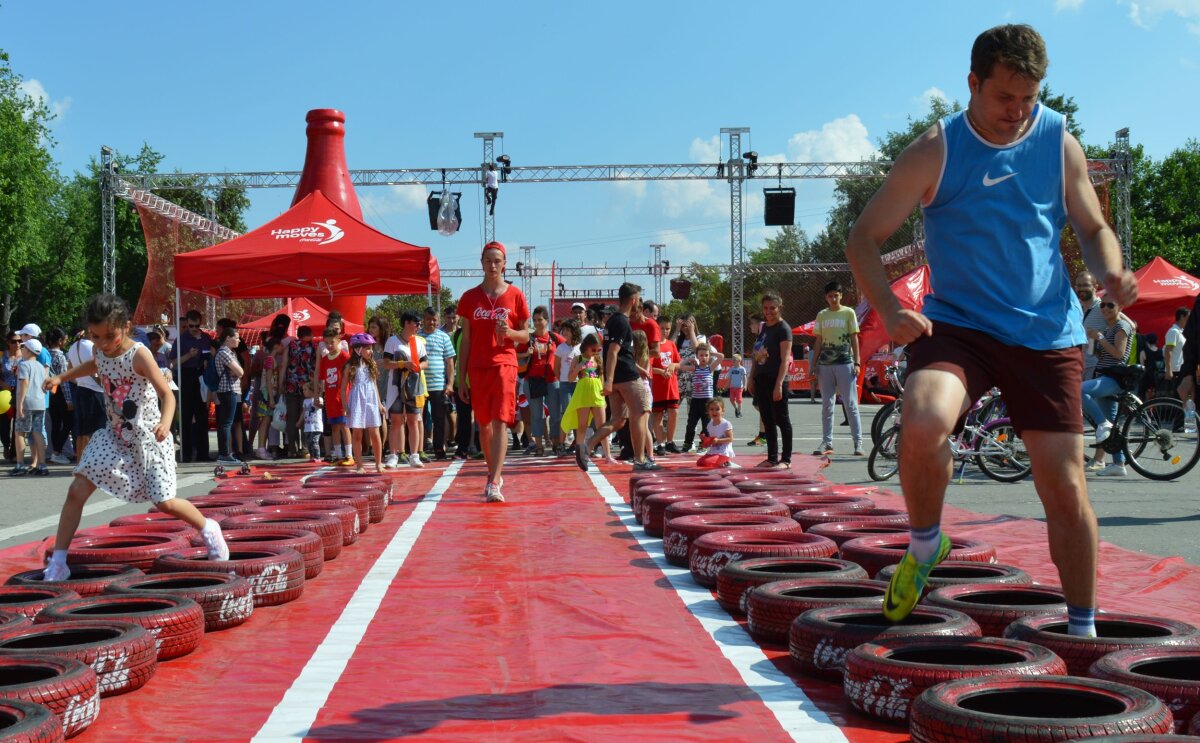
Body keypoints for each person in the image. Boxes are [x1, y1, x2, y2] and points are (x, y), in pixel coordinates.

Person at [845, 23, 1137, 636]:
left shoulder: (1058, 141)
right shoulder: (935, 149)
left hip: (1046, 331)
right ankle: (925, 544)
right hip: (961, 325)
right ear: (972, 83)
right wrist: (891, 311)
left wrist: (1111, 272)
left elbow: (1091, 227)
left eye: (1029, 97)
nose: (1018, 112)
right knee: (922, 420)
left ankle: (1082, 628)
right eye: (1005, 98)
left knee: (1064, 486)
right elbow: (864, 239)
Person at [41, 293, 229, 583]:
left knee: (164, 502)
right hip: (114, 437)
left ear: (126, 327)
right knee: (76, 489)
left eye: (109, 336)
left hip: (150, 438)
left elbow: (167, 394)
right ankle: (60, 561)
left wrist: (166, 424)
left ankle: (208, 528)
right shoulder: (100, 351)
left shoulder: (139, 354)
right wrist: (61, 378)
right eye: (95, 336)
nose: (102, 343)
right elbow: (95, 366)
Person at [456, 242, 531, 501]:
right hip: (477, 367)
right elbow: (465, 340)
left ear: (504, 264)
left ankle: (495, 480)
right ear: (481, 263)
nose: (492, 265)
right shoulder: (468, 298)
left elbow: (525, 336)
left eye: (497, 260)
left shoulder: (516, 295)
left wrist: (509, 333)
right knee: (484, 425)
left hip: (505, 364)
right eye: (488, 260)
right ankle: (492, 473)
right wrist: (459, 377)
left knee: (500, 420)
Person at [582, 283, 657, 472]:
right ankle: (640, 460)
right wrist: (608, 380)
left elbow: (611, 351)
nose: (639, 302)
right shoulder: (622, 322)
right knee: (639, 416)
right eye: (638, 299)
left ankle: (589, 444)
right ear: (633, 300)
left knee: (618, 420)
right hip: (627, 377)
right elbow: (613, 352)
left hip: (616, 378)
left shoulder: (613, 321)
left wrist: (609, 379)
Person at [1081, 299, 1134, 477]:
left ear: (1120, 307)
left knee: (1079, 390)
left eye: (1110, 305)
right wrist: (1094, 347)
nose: (1105, 308)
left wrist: (1100, 338)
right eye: (1103, 305)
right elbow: (1103, 354)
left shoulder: (1122, 326)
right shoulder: (1108, 328)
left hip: (1114, 378)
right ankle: (1119, 464)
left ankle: (1101, 424)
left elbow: (1119, 354)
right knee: (1112, 424)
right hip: (1105, 375)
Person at [810, 282, 863, 457]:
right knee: (827, 405)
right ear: (826, 297)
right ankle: (827, 442)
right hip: (825, 366)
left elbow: (854, 338)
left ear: (841, 295)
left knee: (850, 404)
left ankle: (858, 443)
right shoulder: (822, 315)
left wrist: (857, 362)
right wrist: (813, 363)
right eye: (830, 296)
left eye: (836, 295)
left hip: (845, 363)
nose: (833, 299)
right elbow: (818, 341)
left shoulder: (849, 313)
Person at [383, 311, 428, 469]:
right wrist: (403, 365)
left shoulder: (419, 342)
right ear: (407, 323)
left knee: (413, 420)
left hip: (414, 385)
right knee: (396, 420)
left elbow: (425, 363)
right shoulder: (393, 341)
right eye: (417, 323)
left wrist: (417, 367)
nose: (418, 327)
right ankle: (393, 455)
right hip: (396, 385)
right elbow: (386, 363)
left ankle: (414, 455)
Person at [564, 333, 616, 467]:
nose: (596, 352)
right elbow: (570, 378)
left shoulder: (598, 360)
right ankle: (580, 455)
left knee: (602, 426)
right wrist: (577, 369)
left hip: (597, 393)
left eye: (598, 350)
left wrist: (604, 396)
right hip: (583, 394)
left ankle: (608, 455)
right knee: (582, 426)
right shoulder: (578, 358)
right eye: (593, 349)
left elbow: (602, 379)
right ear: (586, 347)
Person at [518, 306, 558, 456]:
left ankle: (556, 444)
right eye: (534, 320)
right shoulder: (528, 338)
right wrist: (525, 354)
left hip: (552, 379)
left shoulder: (554, 337)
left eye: (540, 319)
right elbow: (513, 355)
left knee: (555, 414)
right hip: (532, 380)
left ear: (547, 320)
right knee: (536, 415)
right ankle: (539, 446)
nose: (537, 323)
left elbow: (569, 347)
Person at [342, 333, 384, 475]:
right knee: (357, 433)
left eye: (371, 348)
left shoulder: (371, 364)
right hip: (357, 400)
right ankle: (359, 465)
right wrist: (345, 406)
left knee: (375, 432)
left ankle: (379, 463)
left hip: (371, 399)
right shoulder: (350, 366)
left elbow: (374, 385)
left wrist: (379, 404)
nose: (370, 351)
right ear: (357, 349)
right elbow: (343, 388)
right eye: (367, 348)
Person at [418, 307, 456, 461]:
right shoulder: (416, 337)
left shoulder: (444, 337)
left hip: (439, 385)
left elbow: (450, 362)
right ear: (423, 319)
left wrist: (450, 384)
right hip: (419, 385)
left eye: (434, 320)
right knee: (419, 419)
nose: (431, 322)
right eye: (428, 319)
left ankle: (439, 449)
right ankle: (418, 450)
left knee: (439, 418)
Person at [177, 309, 212, 462]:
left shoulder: (206, 338)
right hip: (186, 376)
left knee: (202, 416)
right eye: (191, 326)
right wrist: (189, 356)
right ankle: (186, 453)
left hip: (201, 376)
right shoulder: (181, 340)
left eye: (196, 326)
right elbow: (173, 362)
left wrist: (207, 360)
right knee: (186, 416)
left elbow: (211, 355)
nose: (193, 329)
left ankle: (203, 453)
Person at [66, 330, 105, 461]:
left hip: (80, 389)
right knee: (94, 429)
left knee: (81, 430)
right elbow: (98, 365)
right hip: (95, 391)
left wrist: (80, 380)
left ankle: (80, 461)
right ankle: (90, 461)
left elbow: (70, 370)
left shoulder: (72, 348)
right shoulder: (91, 346)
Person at [11, 339, 48, 476]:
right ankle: (42, 466)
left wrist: (19, 403)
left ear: (27, 350)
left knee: (19, 432)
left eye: (23, 347)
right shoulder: (40, 365)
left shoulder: (24, 365)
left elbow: (24, 384)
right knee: (37, 432)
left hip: (27, 402)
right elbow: (45, 384)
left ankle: (20, 465)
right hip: (40, 403)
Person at [680, 343, 724, 454]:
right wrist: (689, 359)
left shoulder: (710, 368)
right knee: (691, 423)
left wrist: (712, 352)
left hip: (707, 402)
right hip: (695, 401)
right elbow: (681, 366)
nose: (703, 357)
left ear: (709, 356)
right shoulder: (695, 368)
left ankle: (704, 444)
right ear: (697, 356)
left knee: (707, 425)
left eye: (706, 355)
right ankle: (687, 443)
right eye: (701, 355)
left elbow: (721, 356)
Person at [318, 326, 352, 465]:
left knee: (345, 425)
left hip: (342, 397)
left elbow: (351, 376)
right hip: (330, 398)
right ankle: (338, 456)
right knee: (334, 428)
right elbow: (322, 378)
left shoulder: (344, 356)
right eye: (327, 343)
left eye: (332, 342)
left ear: (339, 340)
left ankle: (349, 455)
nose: (330, 345)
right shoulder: (325, 359)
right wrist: (319, 393)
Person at [282, 325, 317, 458]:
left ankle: (292, 449)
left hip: (291, 385)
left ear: (298, 334)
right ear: (310, 334)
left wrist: (281, 383)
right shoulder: (314, 346)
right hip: (308, 386)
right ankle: (305, 448)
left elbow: (284, 364)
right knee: (307, 416)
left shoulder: (291, 346)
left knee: (291, 418)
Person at [213, 326, 244, 466]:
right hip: (227, 389)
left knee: (226, 422)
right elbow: (240, 371)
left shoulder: (230, 353)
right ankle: (224, 453)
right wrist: (237, 371)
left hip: (231, 390)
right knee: (226, 423)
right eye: (236, 337)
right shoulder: (224, 352)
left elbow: (238, 371)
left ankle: (224, 453)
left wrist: (237, 371)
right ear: (227, 338)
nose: (238, 340)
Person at [651, 314, 682, 455]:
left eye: (667, 328)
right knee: (657, 416)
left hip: (671, 387)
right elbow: (648, 366)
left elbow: (678, 362)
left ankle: (670, 441)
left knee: (674, 413)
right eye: (662, 328)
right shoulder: (653, 346)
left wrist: (672, 365)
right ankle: (660, 443)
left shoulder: (671, 344)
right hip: (658, 387)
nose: (665, 331)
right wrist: (660, 371)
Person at [550, 319, 581, 455]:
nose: (565, 333)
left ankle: (577, 443)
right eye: (564, 330)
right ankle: (562, 444)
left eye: (568, 330)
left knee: (579, 413)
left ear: (575, 331)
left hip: (579, 384)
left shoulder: (581, 347)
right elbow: (556, 368)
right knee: (567, 412)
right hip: (565, 384)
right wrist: (562, 379)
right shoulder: (561, 348)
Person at [44, 329, 74, 465]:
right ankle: (57, 451)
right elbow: (64, 379)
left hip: (50, 393)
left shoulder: (45, 354)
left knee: (55, 424)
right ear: (60, 341)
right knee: (68, 423)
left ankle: (54, 452)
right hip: (61, 393)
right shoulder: (60, 356)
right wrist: (69, 400)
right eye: (65, 339)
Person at [366, 316, 391, 458]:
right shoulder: (367, 344)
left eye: (374, 327)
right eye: (370, 327)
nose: (371, 330)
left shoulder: (389, 344)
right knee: (372, 414)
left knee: (384, 415)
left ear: (382, 329)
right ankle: (371, 445)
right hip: (372, 382)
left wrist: (385, 362)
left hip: (387, 381)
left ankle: (384, 445)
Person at [631, 329, 657, 464]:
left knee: (645, 425)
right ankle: (640, 453)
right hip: (637, 389)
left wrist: (630, 360)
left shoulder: (644, 354)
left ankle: (650, 455)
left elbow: (644, 371)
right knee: (637, 424)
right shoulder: (635, 353)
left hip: (644, 390)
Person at [253, 337, 281, 461]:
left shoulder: (270, 359)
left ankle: (261, 449)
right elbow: (269, 380)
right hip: (267, 393)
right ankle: (261, 448)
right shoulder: (270, 359)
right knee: (265, 420)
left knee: (266, 420)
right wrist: (270, 397)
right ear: (276, 346)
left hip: (268, 392)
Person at [697, 398, 735, 468]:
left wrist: (718, 440)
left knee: (707, 462)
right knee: (699, 462)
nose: (714, 412)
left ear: (722, 411)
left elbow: (730, 439)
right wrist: (705, 440)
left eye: (717, 409)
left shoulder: (726, 424)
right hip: (714, 450)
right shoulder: (710, 425)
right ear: (708, 411)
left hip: (724, 451)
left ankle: (726, 460)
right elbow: (712, 440)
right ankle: (723, 461)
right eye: (711, 409)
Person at [1, 331, 21, 461]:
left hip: (19, 392)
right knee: (3, 423)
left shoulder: (25, 356)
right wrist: (2, 384)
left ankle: (14, 452)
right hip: (4, 393)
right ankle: (6, 445)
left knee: (18, 423)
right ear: (8, 342)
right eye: (14, 341)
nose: (17, 344)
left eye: (20, 341)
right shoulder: (2, 356)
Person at [1164, 307, 1190, 391]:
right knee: (1176, 397)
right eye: (1188, 317)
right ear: (1182, 317)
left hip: (1181, 370)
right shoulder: (1173, 331)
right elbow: (1168, 351)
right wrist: (1169, 370)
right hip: (1175, 371)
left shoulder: (1181, 332)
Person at [301, 377, 324, 462]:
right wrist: (300, 421)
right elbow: (303, 412)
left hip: (316, 426)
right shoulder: (305, 401)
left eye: (305, 389)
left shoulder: (318, 399)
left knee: (314, 442)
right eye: (303, 390)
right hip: (307, 426)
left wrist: (317, 399)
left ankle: (317, 457)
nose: (303, 391)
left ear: (312, 390)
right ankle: (312, 456)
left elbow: (321, 405)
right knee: (309, 443)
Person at [728, 354, 746, 418]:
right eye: (732, 360)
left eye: (734, 360)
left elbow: (744, 378)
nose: (733, 361)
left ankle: (739, 412)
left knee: (739, 400)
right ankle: (736, 408)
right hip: (732, 387)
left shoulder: (742, 369)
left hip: (739, 387)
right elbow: (729, 378)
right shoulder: (731, 369)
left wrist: (744, 385)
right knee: (731, 400)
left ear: (739, 361)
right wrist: (727, 385)